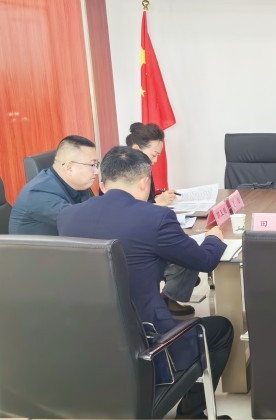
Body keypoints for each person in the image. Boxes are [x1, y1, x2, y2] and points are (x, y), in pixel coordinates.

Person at [57, 146, 232, 419]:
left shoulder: (67, 216)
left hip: (86, 338)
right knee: (221, 328)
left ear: (102, 184)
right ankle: (191, 414)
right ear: (144, 182)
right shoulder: (156, 217)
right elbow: (205, 261)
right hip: (146, 341)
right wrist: (214, 238)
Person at [127, 122, 196, 316]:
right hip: (135, 240)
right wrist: (157, 204)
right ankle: (165, 299)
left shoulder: (143, 169)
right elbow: (129, 210)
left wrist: (158, 199)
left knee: (187, 247)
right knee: (186, 253)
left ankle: (167, 298)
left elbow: (144, 202)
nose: (156, 161)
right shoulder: (122, 174)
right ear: (136, 149)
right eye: (154, 155)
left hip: (145, 230)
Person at [9, 135, 98, 235]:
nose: (96, 171)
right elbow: (84, 224)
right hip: (40, 246)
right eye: (92, 165)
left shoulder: (79, 184)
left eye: (96, 165)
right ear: (69, 168)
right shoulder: (39, 193)